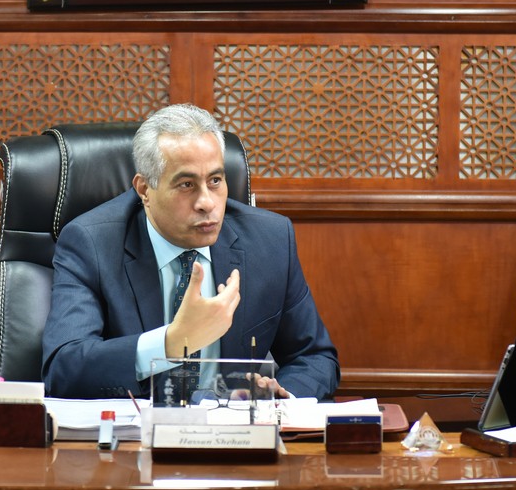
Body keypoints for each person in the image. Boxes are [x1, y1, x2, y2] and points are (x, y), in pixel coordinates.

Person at [41, 103, 340, 400]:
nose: (206, 203)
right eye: (186, 184)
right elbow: (64, 368)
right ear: (144, 190)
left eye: (215, 181)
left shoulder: (270, 241)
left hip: (232, 428)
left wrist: (279, 401)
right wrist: (172, 342)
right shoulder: (92, 243)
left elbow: (314, 357)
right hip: (138, 428)